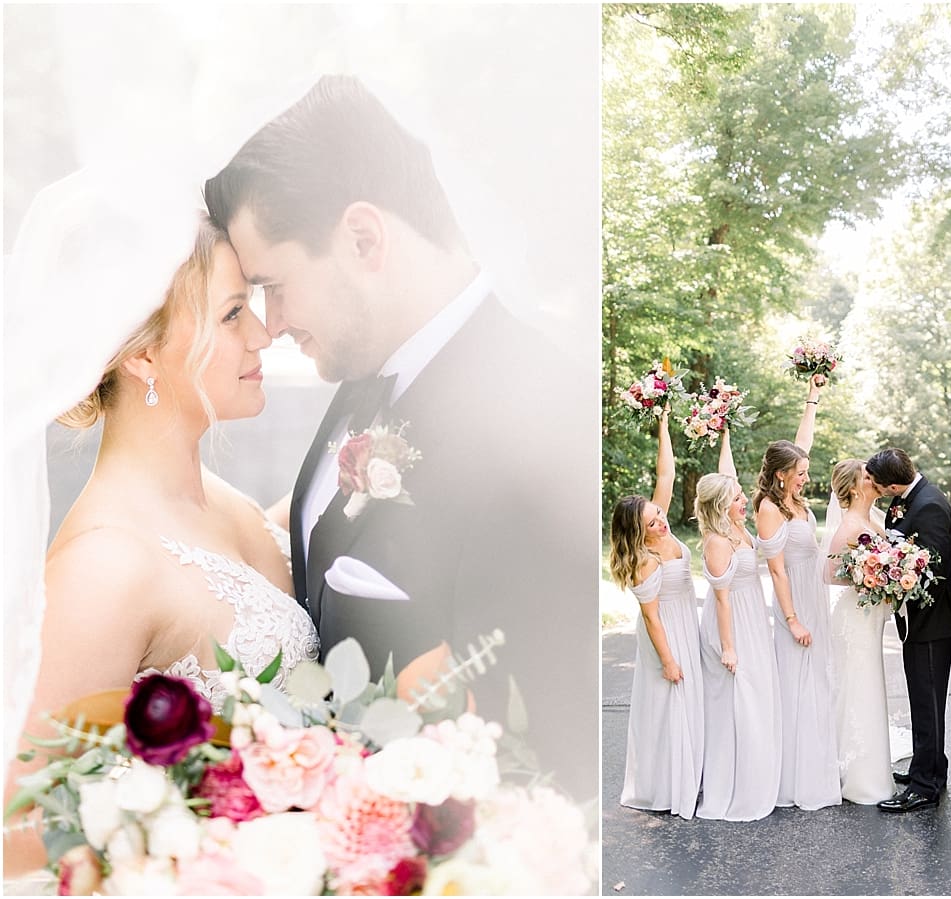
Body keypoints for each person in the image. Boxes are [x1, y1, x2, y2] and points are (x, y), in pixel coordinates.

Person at [203, 75, 596, 799]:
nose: (274, 321)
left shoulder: (543, 426)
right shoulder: (362, 371)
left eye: (275, 284)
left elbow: (557, 767)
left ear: (363, 238)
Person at [3, 216, 320, 877]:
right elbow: (17, 828)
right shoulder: (104, 566)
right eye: (232, 314)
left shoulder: (224, 503)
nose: (262, 334)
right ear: (141, 353)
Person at [609, 411, 704, 819]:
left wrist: (664, 422)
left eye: (660, 514)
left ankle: (694, 773)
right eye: (653, 521)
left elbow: (665, 476)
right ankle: (669, 784)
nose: (662, 521)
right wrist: (668, 660)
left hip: (686, 622)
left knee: (692, 700)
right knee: (673, 701)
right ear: (638, 532)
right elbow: (651, 619)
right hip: (665, 632)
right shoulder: (645, 560)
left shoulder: (657, 522)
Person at [753, 376, 840, 810]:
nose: (807, 478)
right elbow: (777, 570)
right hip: (794, 603)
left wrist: (813, 396)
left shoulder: (790, 496)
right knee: (795, 681)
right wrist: (791, 620)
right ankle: (793, 775)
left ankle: (819, 758)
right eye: (801, 474)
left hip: (813, 596)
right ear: (782, 475)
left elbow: (801, 443)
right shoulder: (769, 509)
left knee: (818, 679)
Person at [867, 448, 951, 813]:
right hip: (917, 620)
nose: (876, 489)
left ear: (893, 484)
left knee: (928, 703)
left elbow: (932, 574)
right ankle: (930, 767)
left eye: (879, 485)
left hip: (932, 621)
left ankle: (925, 787)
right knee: (923, 700)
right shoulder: (907, 500)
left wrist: (891, 582)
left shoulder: (930, 506)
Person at [695, 429, 782, 821]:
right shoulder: (717, 541)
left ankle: (762, 771)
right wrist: (729, 647)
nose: (744, 498)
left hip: (751, 617)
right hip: (730, 624)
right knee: (737, 701)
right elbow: (721, 599)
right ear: (721, 506)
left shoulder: (739, 528)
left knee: (757, 695)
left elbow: (725, 474)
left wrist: (725, 432)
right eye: (737, 498)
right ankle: (737, 783)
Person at [823, 459, 894, 804]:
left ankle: (870, 765)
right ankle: (858, 775)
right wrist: (868, 578)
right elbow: (828, 573)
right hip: (854, 618)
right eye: (867, 476)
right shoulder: (850, 525)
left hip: (869, 617)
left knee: (869, 685)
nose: (874, 479)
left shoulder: (871, 520)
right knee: (858, 687)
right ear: (853, 487)